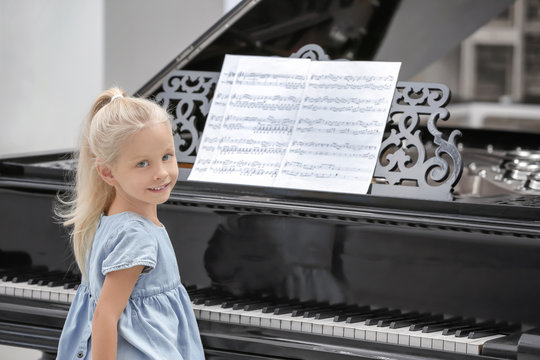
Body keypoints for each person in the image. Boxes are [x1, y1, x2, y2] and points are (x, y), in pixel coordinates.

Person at [55, 87, 205, 360]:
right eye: (143, 164)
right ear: (107, 172)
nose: (161, 173)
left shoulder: (110, 216)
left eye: (167, 156)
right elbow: (104, 316)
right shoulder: (136, 234)